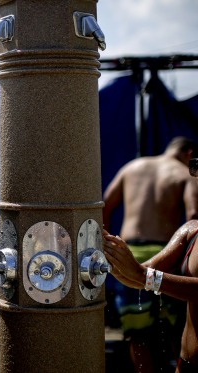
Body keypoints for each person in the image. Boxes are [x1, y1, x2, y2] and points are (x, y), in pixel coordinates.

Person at [102, 136, 198, 372]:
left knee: (138, 334)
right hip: (167, 249)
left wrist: (106, 245)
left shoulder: (131, 167)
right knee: (173, 329)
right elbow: (193, 212)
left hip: (129, 250)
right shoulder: (183, 173)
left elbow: (105, 204)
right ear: (189, 154)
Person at [103, 220, 198, 373]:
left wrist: (142, 275)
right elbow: (142, 275)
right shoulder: (191, 229)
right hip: (184, 362)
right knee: (138, 335)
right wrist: (114, 261)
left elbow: (143, 275)